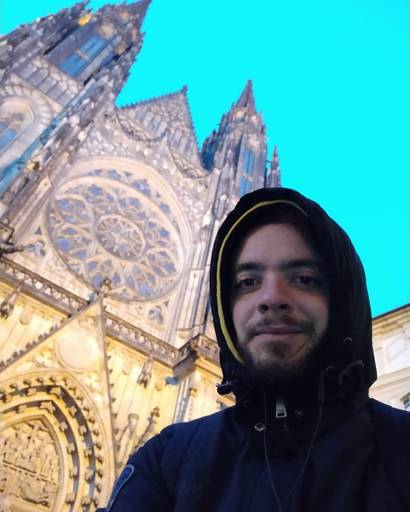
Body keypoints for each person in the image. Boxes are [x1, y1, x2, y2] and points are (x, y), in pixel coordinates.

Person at [100, 187, 410, 512]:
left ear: (344, 301)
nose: (271, 297)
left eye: (304, 279)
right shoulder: (165, 461)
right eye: (248, 282)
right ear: (225, 308)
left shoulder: (400, 449)